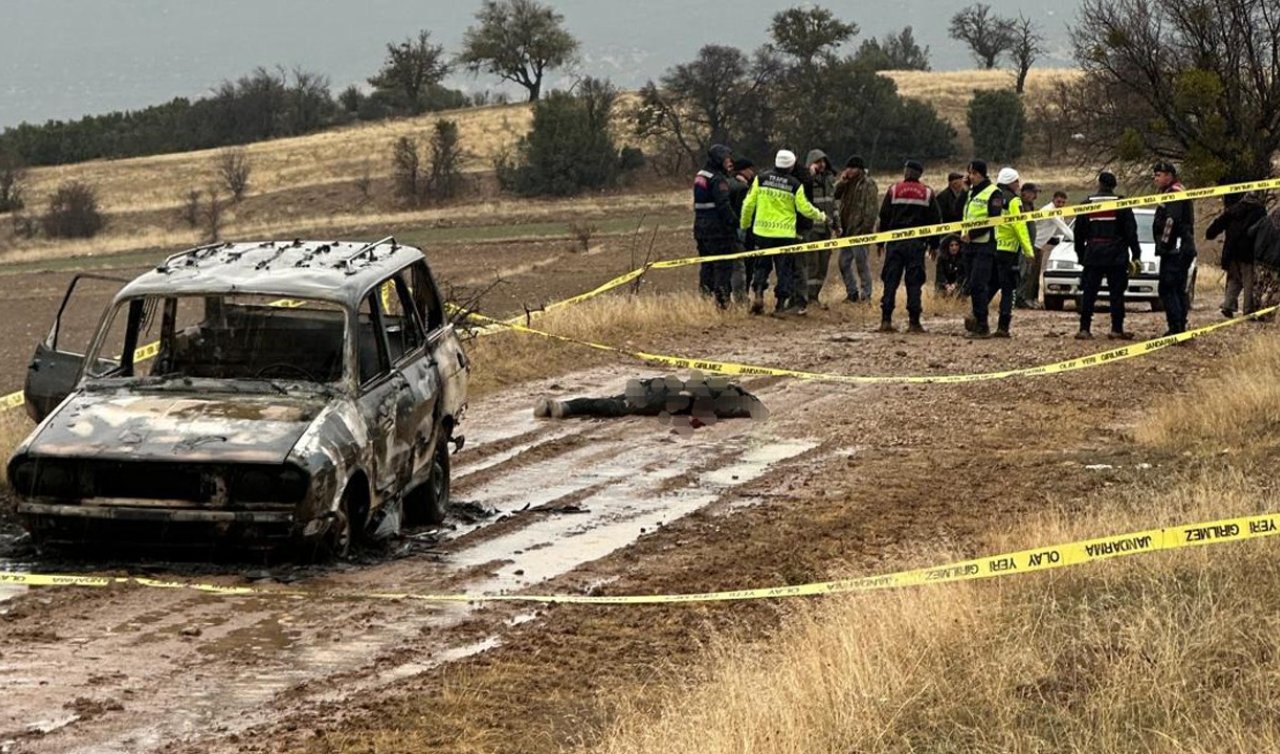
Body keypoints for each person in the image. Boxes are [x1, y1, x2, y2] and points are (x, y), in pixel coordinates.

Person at [741, 149, 827, 315]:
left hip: (762, 232)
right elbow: (805, 208)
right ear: (791, 165)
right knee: (784, 270)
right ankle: (780, 305)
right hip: (785, 235)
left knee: (761, 266)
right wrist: (822, 216)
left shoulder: (760, 179)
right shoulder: (795, 184)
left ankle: (758, 293)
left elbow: (748, 204)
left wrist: (745, 225)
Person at [533, 374, 767, 424]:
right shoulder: (721, 395)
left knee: (615, 404)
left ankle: (564, 407)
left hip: (657, 393)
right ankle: (563, 407)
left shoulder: (725, 400)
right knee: (617, 405)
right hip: (660, 393)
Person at [1073, 171, 1142, 340]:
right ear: (1114, 186)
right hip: (1117, 255)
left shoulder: (1087, 204)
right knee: (1116, 293)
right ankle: (1116, 329)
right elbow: (1131, 232)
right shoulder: (1122, 204)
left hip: (1093, 253)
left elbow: (1078, 234)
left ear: (1099, 184)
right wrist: (1136, 254)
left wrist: (1081, 255)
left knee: (1089, 293)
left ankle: (1084, 328)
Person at [877, 160, 941, 333]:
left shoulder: (894, 190)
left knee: (890, 281)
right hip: (916, 245)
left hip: (895, 243)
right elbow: (935, 220)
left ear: (906, 172)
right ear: (919, 174)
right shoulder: (927, 193)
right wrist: (934, 245)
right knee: (914, 282)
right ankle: (914, 322)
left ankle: (886, 321)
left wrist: (880, 242)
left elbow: (884, 217)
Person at [987, 166, 1034, 337]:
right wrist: (1029, 251)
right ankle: (1003, 327)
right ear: (1010, 182)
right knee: (1008, 289)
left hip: (991, 247)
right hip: (1008, 251)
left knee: (992, 284)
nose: (1018, 184)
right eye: (1016, 181)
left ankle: (977, 317)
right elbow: (1019, 226)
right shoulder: (1014, 201)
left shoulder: (993, 196)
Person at [1152, 162, 1197, 335]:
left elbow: (1171, 221)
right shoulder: (1175, 191)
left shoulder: (1175, 193)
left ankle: (1176, 327)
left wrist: (1164, 244)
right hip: (1180, 247)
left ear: (1169, 175)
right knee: (1177, 288)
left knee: (1169, 288)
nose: (1156, 179)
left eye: (1159, 175)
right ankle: (1179, 326)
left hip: (1175, 249)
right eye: (1155, 175)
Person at [1206, 190, 1267, 318]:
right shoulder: (1260, 212)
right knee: (1249, 281)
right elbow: (1262, 232)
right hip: (1248, 252)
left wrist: (1210, 233)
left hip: (1231, 251)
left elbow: (1218, 223)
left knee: (1234, 279)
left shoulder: (1234, 209)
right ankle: (1248, 311)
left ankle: (1228, 305)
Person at [962, 160, 1005, 338]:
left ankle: (982, 325)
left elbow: (993, 220)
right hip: (969, 246)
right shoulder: (971, 192)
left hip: (985, 245)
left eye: (972, 174)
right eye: (969, 173)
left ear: (980, 174)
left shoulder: (994, 192)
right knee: (972, 285)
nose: (970, 177)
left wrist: (972, 233)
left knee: (978, 284)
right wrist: (964, 192)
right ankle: (977, 321)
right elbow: (961, 211)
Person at [795, 149, 842, 307]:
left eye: (823, 161)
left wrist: (837, 224)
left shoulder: (830, 180)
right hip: (811, 229)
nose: (821, 165)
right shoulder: (806, 180)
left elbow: (833, 204)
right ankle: (806, 297)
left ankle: (815, 296)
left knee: (823, 265)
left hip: (826, 229)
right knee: (811, 265)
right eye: (818, 162)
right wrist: (810, 175)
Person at [692, 144, 737, 308]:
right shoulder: (718, 179)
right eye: (726, 158)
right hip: (718, 230)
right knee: (723, 266)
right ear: (719, 159)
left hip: (700, 228)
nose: (729, 161)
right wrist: (735, 222)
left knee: (707, 265)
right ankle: (723, 301)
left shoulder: (701, 175)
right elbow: (723, 205)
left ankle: (704, 299)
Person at [834, 155, 879, 304]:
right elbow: (834, 194)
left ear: (859, 169)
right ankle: (852, 293)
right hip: (846, 230)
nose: (849, 170)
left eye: (852, 168)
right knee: (843, 263)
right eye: (848, 168)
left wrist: (865, 229)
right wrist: (842, 181)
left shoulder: (868, 184)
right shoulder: (847, 183)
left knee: (862, 263)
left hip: (860, 231)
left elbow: (871, 209)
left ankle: (866, 295)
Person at [1023, 190, 1073, 307]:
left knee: (1036, 276)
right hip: (1033, 244)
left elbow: (1055, 230)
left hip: (1040, 245)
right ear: (1053, 199)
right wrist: (1077, 240)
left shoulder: (1059, 211)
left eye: (1063, 203)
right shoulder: (1049, 210)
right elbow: (1064, 228)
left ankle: (1034, 299)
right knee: (1030, 275)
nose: (1060, 204)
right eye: (1058, 201)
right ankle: (1027, 299)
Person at [728, 158, 758, 303]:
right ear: (742, 170)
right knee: (746, 267)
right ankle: (742, 296)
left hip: (734, 232)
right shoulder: (741, 188)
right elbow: (743, 211)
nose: (752, 172)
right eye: (749, 169)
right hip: (744, 232)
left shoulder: (728, 183)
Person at [1014, 182, 1041, 309]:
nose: (1035, 196)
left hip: (1030, 244)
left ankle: (1024, 297)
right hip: (1022, 244)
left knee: (1028, 272)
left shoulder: (1030, 206)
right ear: (1025, 193)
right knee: (1022, 271)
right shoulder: (1019, 205)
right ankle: (1019, 298)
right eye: (1033, 193)